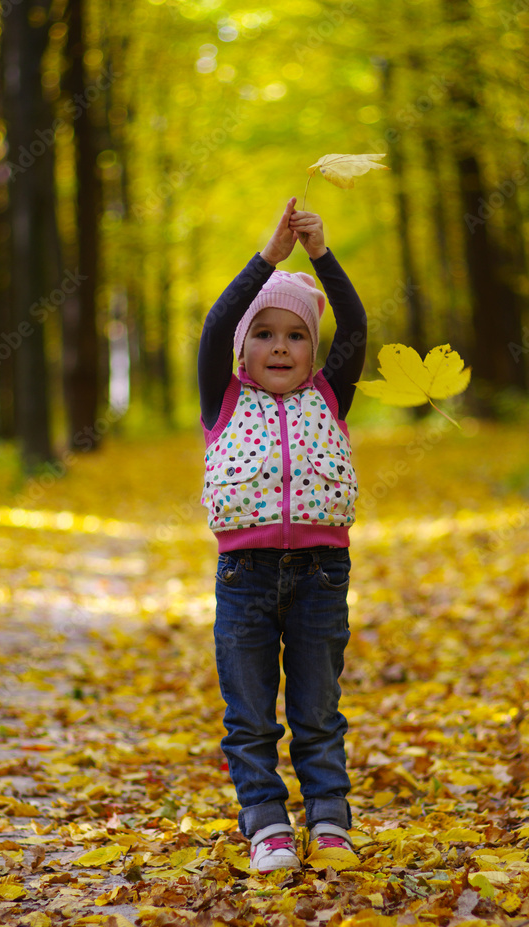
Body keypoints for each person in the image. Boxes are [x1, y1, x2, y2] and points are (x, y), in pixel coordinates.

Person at [198, 196, 367, 872]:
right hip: (245, 579)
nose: (279, 347)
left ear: (313, 350)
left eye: (294, 335)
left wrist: (320, 257)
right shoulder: (224, 397)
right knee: (249, 716)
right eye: (263, 334)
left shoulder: (329, 394)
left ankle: (329, 821)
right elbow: (214, 326)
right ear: (243, 349)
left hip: (322, 576)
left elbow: (352, 322)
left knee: (317, 710)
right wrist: (268, 259)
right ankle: (265, 821)